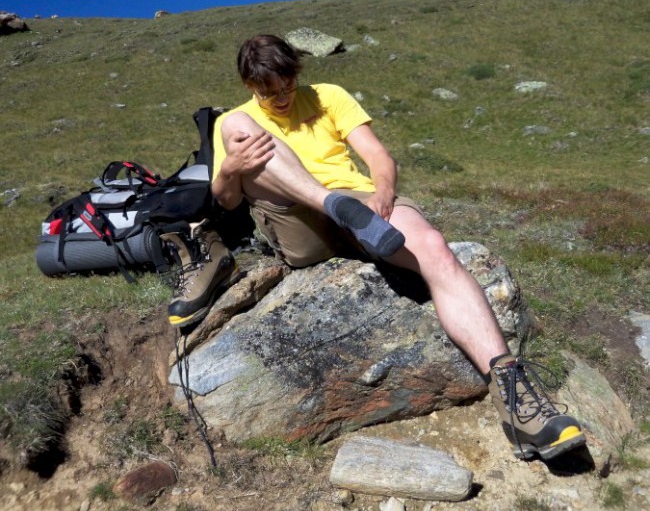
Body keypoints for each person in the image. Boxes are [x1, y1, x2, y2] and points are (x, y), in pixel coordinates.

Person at [208, 34, 586, 462]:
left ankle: (514, 396)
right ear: (248, 86)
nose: (280, 99)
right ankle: (333, 205)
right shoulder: (239, 119)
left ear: (298, 74)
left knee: (434, 248)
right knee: (235, 129)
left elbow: (378, 157)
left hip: (361, 203)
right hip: (298, 219)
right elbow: (227, 200)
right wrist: (230, 169)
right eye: (267, 93)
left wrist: (383, 193)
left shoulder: (328, 96)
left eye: (287, 87)